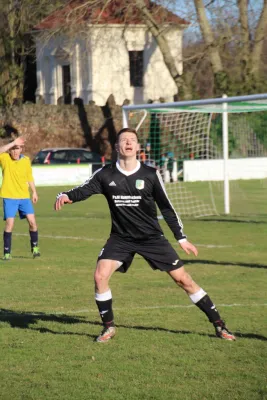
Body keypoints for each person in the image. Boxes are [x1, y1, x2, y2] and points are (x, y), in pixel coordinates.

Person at [54, 128, 235, 343]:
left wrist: (181, 238)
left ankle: (219, 325)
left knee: (184, 280)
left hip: (151, 238)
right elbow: (84, 190)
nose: (129, 143)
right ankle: (108, 328)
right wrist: (66, 195)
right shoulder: (105, 174)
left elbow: (166, 208)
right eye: (124, 140)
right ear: (117, 147)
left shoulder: (149, 174)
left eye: (133, 140)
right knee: (100, 276)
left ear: (138, 147)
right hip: (121, 237)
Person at [0, 136, 40, 260]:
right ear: (9, 150)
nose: (15, 151)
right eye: (13, 149)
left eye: (18, 148)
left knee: (33, 223)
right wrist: (12, 142)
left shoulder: (26, 160)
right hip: (9, 197)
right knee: (10, 224)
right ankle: (7, 252)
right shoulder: (5, 158)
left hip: (24, 197)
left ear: (21, 149)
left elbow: (29, 177)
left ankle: (35, 248)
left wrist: (34, 192)